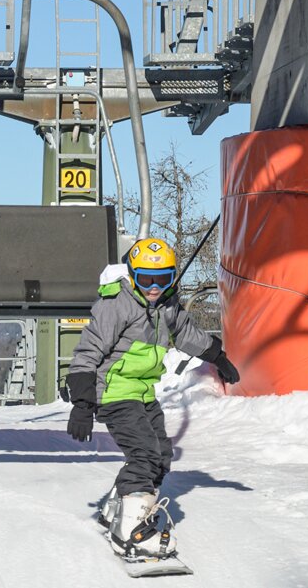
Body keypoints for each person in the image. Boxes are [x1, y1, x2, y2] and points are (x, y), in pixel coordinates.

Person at [63, 237, 240, 557]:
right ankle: (129, 529)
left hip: (142, 392)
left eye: (164, 279)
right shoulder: (117, 304)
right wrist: (82, 404)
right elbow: (88, 351)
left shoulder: (166, 305)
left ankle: (120, 506)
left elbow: (187, 334)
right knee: (144, 454)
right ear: (132, 275)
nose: (154, 287)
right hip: (114, 393)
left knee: (160, 455)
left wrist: (219, 356)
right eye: (146, 279)